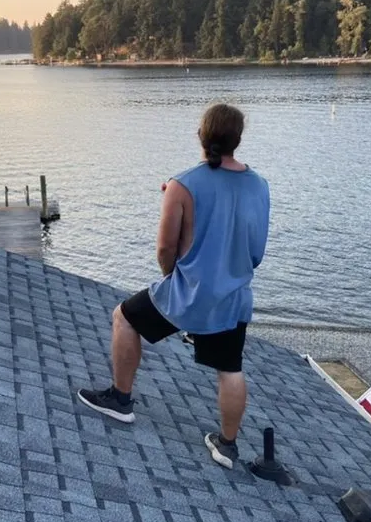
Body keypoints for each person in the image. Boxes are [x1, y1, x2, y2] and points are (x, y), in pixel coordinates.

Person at [77, 103, 271, 469]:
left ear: (202, 136)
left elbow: (166, 249)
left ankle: (121, 400)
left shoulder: (182, 184)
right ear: (238, 140)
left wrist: (171, 277)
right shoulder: (260, 186)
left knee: (124, 318)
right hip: (232, 298)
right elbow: (256, 252)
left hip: (189, 294)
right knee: (230, 368)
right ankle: (227, 446)